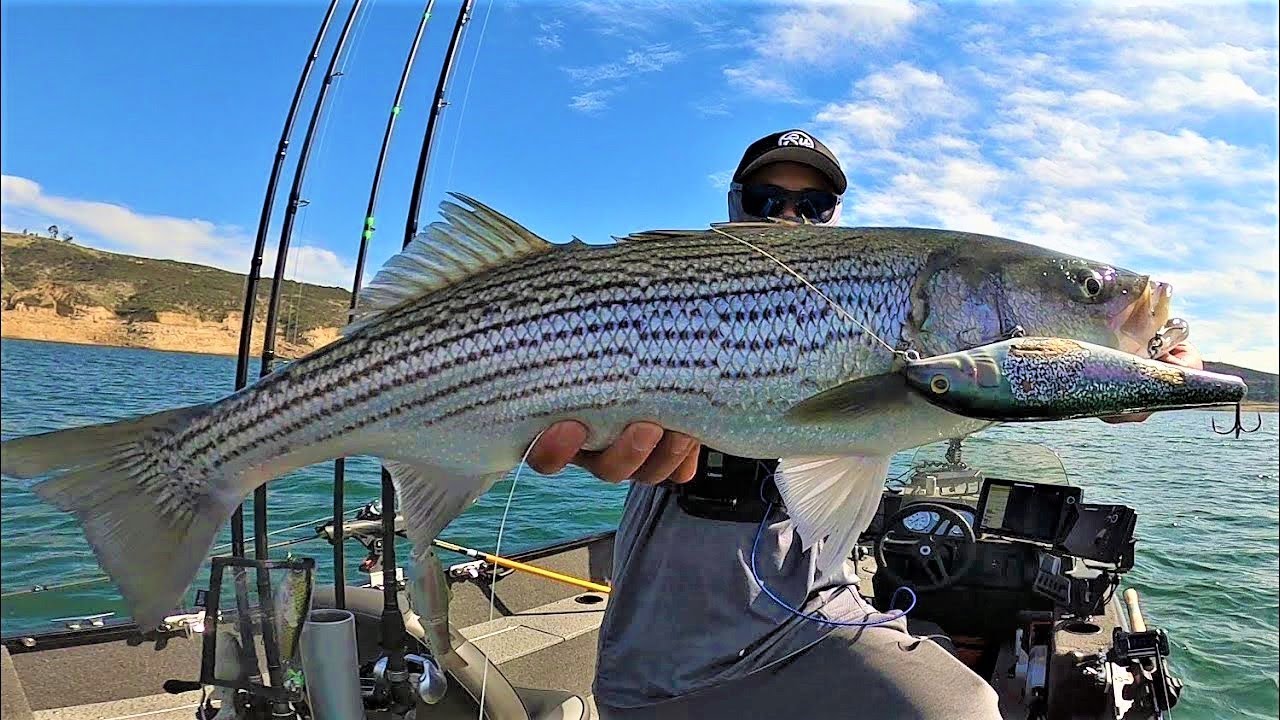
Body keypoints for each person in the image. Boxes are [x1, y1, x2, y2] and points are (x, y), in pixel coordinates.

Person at [525, 129, 1202, 718]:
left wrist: (1152, 370)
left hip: (820, 621)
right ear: (734, 209)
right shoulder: (672, 303)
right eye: (765, 202)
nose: (788, 216)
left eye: (813, 205)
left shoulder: (931, 360)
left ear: (836, 215)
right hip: (658, 663)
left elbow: (1077, 381)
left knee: (966, 708)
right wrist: (586, 433)